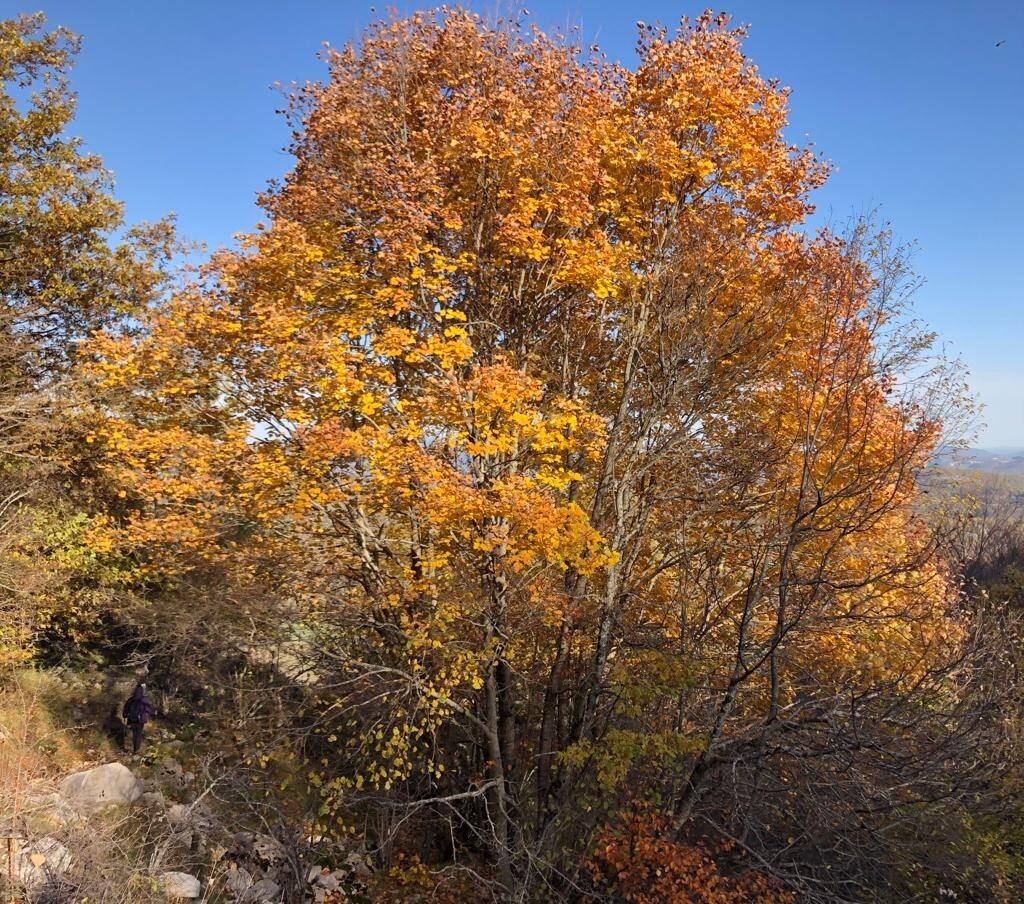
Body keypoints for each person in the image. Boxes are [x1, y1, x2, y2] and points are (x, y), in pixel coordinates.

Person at [122, 682, 154, 755]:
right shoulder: (144, 700)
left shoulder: (131, 699)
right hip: (140, 720)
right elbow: (149, 710)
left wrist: (125, 715)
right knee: (138, 734)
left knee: (134, 734)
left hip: (131, 719)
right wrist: (148, 716)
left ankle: (133, 748)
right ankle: (136, 750)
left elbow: (125, 709)